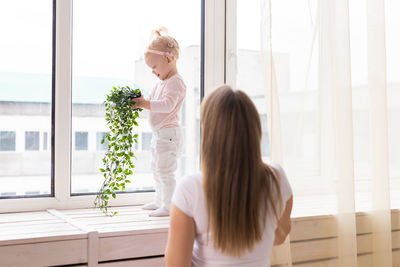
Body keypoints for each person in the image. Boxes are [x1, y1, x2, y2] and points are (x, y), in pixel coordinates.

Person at [165, 85, 293, 266]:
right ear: (254, 131)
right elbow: (278, 237)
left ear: (209, 134)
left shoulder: (190, 188)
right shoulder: (277, 178)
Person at [132, 27, 186, 217]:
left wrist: (145, 103)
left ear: (169, 59)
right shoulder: (161, 83)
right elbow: (152, 100)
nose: (153, 72)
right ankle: (159, 200)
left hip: (169, 135)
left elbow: (167, 105)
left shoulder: (176, 82)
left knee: (165, 171)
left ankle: (169, 206)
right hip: (160, 135)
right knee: (156, 169)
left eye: (154, 67)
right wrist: (141, 100)